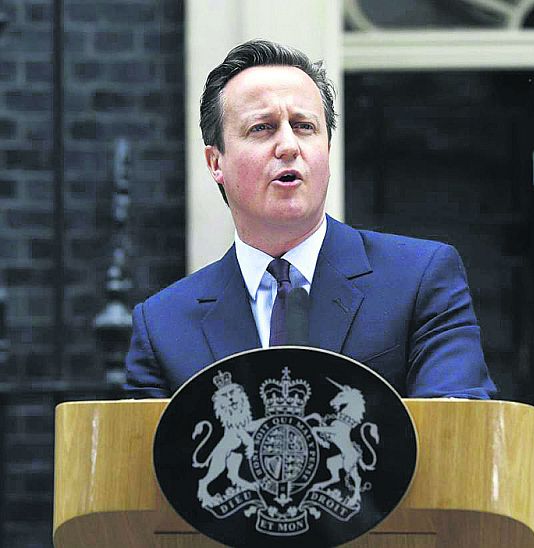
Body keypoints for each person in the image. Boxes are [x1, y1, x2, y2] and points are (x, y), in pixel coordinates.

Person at [124, 40, 495, 399]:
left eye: (304, 126)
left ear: (328, 149)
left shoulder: (422, 279)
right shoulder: (163, 326)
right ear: (216, 162)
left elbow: (456, 435)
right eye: (262, 128)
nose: (288, 146)